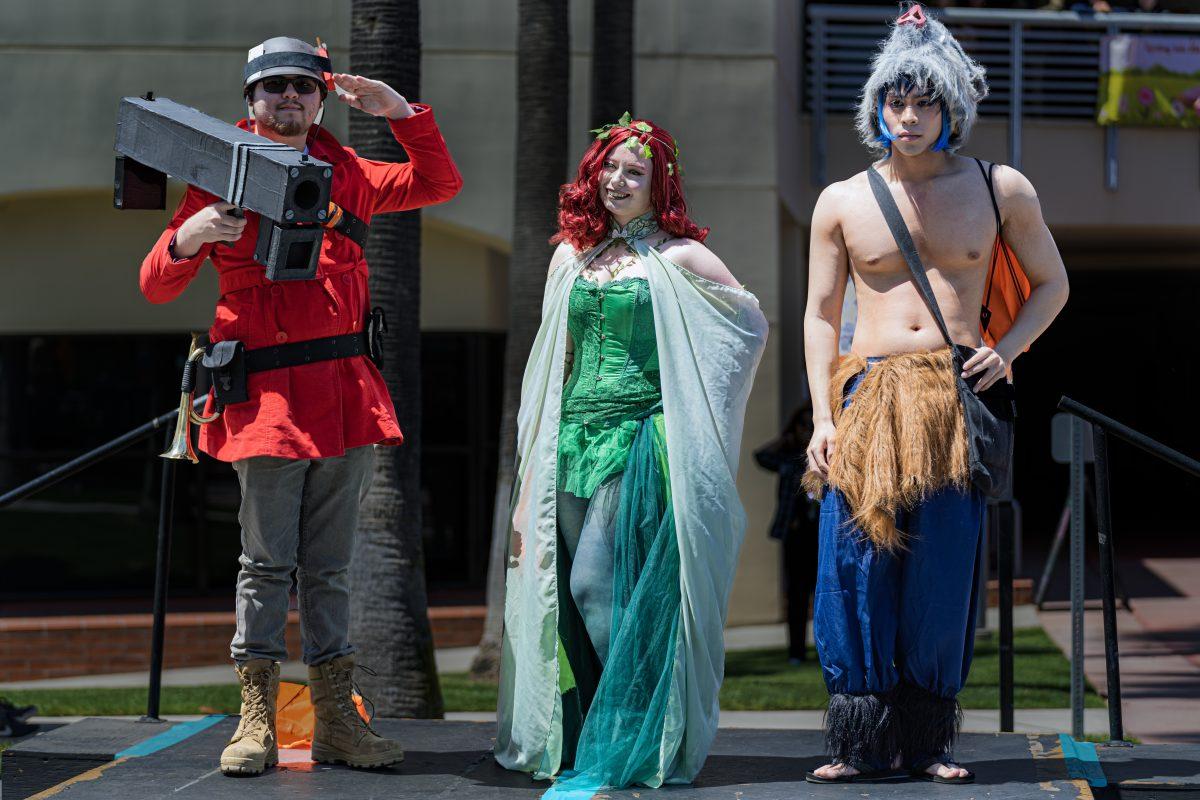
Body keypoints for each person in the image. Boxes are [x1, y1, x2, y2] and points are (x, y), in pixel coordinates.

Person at [138, 36, 462, 776]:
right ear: (250, 98)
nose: (290, 98)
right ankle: (255, 719)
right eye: (274, 87)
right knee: (263, 563)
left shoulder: (347, 172)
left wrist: (400, 111)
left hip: (344, 396)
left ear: (321, 98)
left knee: (330, 568)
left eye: (304, 87)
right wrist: (187, 237)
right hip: (263, 404)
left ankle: (336, 726)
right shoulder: (216, 172)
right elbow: (155, 285)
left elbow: (438, 183)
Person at [801, 5, 1069, 785]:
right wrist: (821, 414)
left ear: (952, 107)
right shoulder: (841, 200)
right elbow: (821, 315)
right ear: (876, 108)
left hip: (954, 396)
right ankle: (857, 739)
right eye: (896, 102)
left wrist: (1008, 349)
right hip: (868, 396)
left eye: (924, 103)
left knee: (943, 570)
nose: (909, 117)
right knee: (853, 563)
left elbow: (1052, 284)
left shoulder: (1000, 187)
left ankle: (927, 741)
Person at [494, 115, 768, 796]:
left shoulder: (680, 258)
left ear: (659, 185)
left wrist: (690, 420)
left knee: (594, 589)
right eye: (609, 167)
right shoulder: (571, 256)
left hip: (637, 446)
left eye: (635, 172)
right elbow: (554, 364)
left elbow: (749, 325)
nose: (618, 180)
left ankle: (635, 737)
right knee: (564, 598)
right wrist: (531, 479)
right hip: (568, 445)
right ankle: (589, 737)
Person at [754, 394, 820, 665]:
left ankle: (826, 649)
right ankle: (796, 652)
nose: (807, 430)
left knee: (825, 590)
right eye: (802, 425)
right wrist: (789, 440)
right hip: (795, 533)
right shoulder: (790, 459)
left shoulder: (824, 457)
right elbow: (762, 455)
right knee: (796, 593)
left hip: (820, 531)